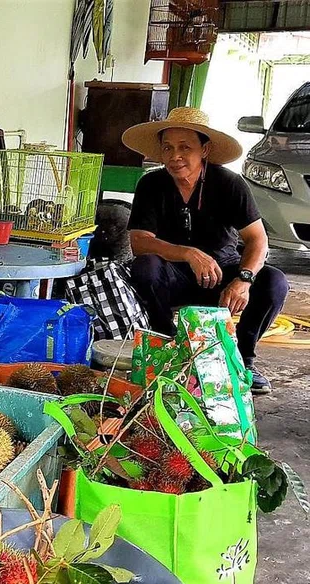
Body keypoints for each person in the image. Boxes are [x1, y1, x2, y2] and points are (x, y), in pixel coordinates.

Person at [121, 107, 289, 394]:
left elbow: (258, 240)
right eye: (168, 148)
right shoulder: (151, 184)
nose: (175, 156)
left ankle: (244, 360)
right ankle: (167, 349)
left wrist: (244, 279)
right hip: (172, 277)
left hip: (223, 275)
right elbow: (139, 241)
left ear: (205, 149)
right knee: (145, 266)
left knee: (275, 282)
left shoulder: (228, 183)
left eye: (185, 147)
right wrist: (188, 253)